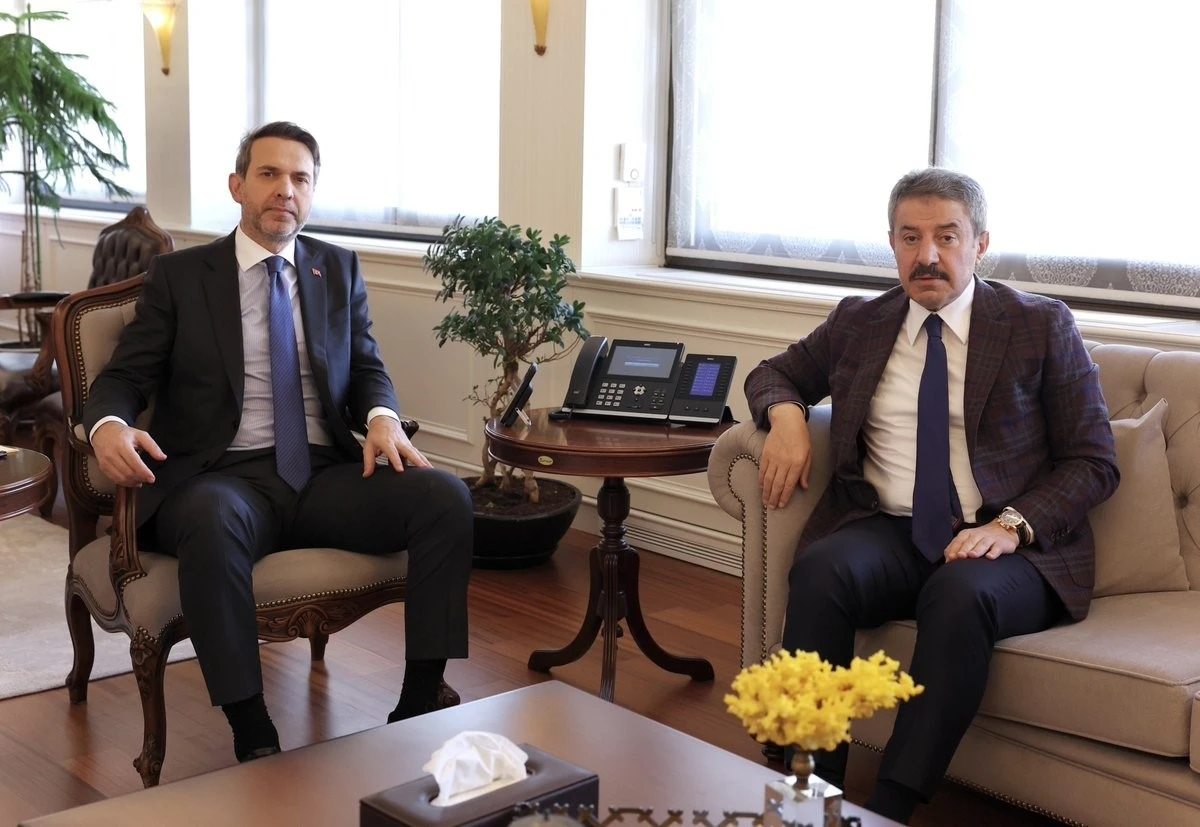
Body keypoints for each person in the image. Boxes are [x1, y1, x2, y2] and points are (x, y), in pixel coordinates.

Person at [83, 121, 473, 764]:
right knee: (211, 517)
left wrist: (382, 416)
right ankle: (253, 731)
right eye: (268, 174)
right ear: (237, 186)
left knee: (446, 497)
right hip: (222, 477)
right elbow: (124, 377)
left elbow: (367, 367)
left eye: (300, 178)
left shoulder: (336, 268)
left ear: (312, 192)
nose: (285, 190)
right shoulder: (181, 277)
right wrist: (108, 426)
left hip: (323, 475)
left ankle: (418, 701)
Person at [744, 168, 1118, 823]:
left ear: (980, 244)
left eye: (947, 236)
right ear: (891, 243)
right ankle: (809, 795)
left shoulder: (1038, 325)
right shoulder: (860, 322)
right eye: (911, 237)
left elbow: (1093, 459)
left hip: (1006, 542)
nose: (928, 256)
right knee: (821, 570)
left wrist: (1011, 524)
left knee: (959, 594)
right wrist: (788, 416)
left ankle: (889, 806)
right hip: (890, 527)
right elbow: (773, 373)